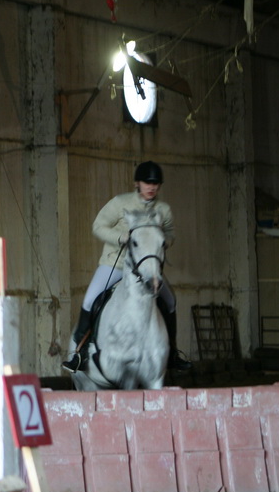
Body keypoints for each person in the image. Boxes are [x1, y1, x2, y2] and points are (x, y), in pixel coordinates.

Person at [62, 160, 193, 373]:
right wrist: (121, 237)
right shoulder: (119, 203)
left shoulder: (164, 210)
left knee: (170, 301)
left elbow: (170, 233)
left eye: (155, 184)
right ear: (137, 183)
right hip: (115, 264)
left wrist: (163, 241)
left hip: (147, 269)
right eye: (147, 183)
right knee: (89, 300)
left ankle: (172, 354)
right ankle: (79, 352)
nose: (151, 187)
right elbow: (98, 226)